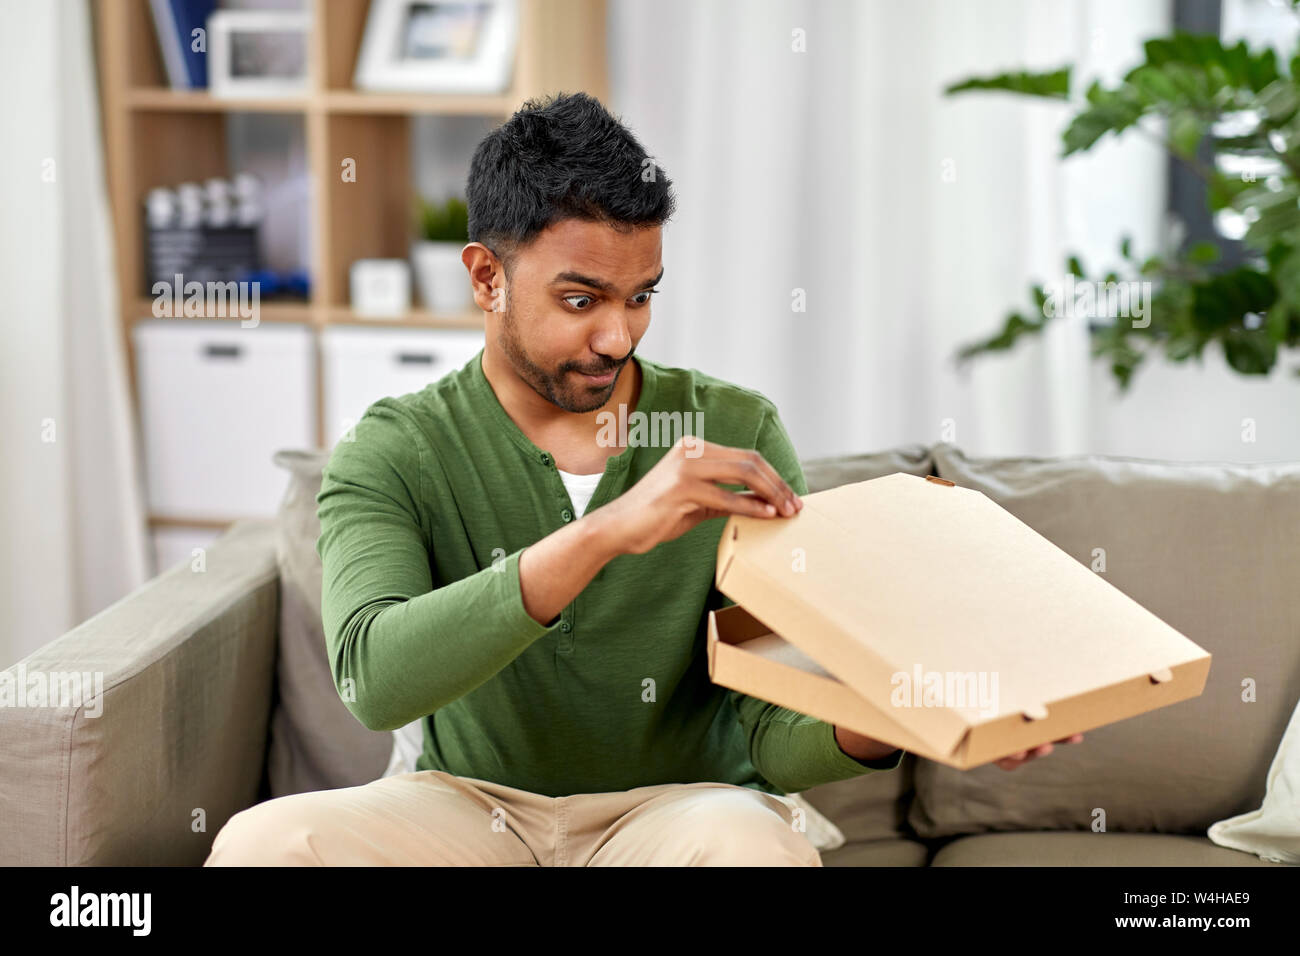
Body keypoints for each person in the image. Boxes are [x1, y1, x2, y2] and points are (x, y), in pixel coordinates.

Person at [205, 92, 1079, 867]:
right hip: (471, 809)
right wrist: (608, 530)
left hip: (678, 814)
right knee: (262, 845)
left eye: (641, 296)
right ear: (487, 277)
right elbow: (376, 681)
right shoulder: (394, 450)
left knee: (751, 848)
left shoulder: (735, 429)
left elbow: (772, 728)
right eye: (582, 300)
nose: (619, 337)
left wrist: (911, 714)